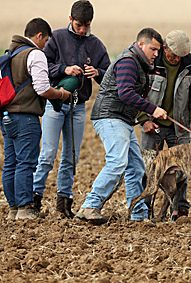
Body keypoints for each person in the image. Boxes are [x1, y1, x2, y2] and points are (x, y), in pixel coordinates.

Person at [75, 28, 168, 224]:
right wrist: (153, 109)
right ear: (141, 45)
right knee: (117, 161)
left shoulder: (138, 63)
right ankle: (90, 205)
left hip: (123, 119)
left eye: (158, 51)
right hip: (110, 117)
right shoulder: (128, 61)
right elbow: (125, 93)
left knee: (136, 167)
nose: (156, 54)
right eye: (153, 49)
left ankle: (138, 214)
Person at [32, 0, 111, 218]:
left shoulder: (96, 45)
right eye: (79, 25)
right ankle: (34, 197)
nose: (83, 29)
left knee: (71, 157)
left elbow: (109, 72)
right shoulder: (56, 38)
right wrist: (64, 69)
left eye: (87, 25)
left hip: (78, 107)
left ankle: (63, 202)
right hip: (55, 104)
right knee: (47, 154)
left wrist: (98, 73)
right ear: (70, 20)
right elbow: (43, 66)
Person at [1, 18, 71, 220]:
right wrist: (60, 95)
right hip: (26, 117)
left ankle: (13, 209)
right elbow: (41, 88)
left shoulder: (11, 53)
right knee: (26, 163)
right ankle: (25, 208)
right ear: (39, 35)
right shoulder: (35, 54)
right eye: (46, 40)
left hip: (7, 116)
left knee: (11, 163)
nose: (46, 44)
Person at [137, 30, 191, 219]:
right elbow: (138, 92)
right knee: (149, 169)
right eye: (174, 55)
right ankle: (145, 209)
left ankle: (179, 209)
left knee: (182, 170)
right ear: (165, 49)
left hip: (179, 126)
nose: (177, 60)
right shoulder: (151, 61)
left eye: (181, 57)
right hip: (153, 125)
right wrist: (144, 119)